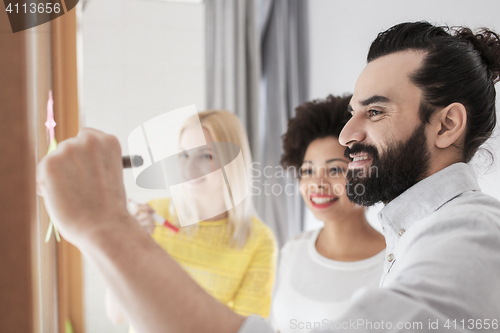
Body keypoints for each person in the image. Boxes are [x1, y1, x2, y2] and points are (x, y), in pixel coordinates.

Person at [36, 21, 500, 333]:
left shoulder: (471, 238)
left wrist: (105, 228)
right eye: (352, 113)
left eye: (374, 112)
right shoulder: (406, 237)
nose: (347, 134)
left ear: (446, 125)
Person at [106, 110, 277, 331]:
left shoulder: (259, 241)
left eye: (206, 156)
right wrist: (130, 245)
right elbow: (116, 314)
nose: (188, 169)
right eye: (183, 155)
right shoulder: (153, 215)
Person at [269, 95, 385, 332]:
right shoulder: (293, 250)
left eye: (334, 169)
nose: (317, 184)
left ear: (365, 172)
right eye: (308, 170)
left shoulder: (392, 262)